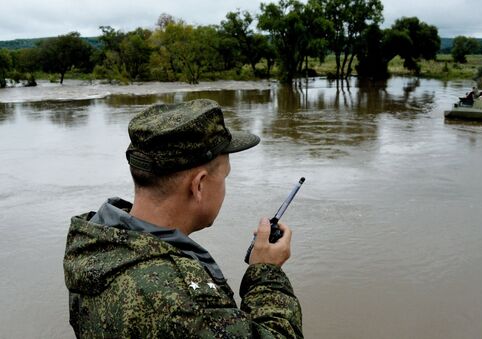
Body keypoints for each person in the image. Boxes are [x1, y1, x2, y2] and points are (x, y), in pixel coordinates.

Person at [63, 99, 303, 338]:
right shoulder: (183, 301)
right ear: (198, 185)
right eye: (225, 177)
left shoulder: (95, 245)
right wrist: (266, 273)